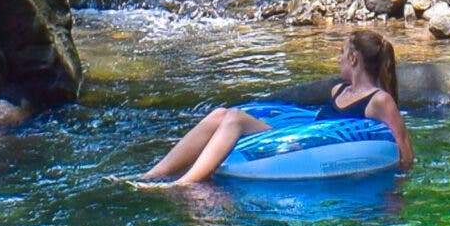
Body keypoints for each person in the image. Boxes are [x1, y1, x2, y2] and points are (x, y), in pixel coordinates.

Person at [140, 27, 412, 185]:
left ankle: (185, 183)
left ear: (354, 59)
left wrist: (392, 186)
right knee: (220, 114)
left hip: (311, 149)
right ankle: (155, 174)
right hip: (299, 141)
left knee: (234, 118)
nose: (337, 58)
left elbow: (404, 150)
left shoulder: (379, 100)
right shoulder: (338, 90)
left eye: (341, 52)